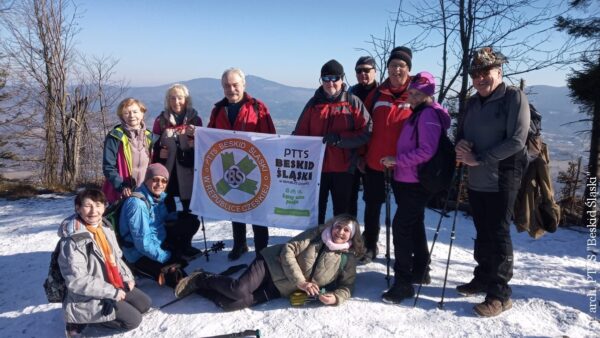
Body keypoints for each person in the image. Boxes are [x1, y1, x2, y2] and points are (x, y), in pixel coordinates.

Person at [455, 47, 530, 317]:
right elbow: (461, 135)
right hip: (477, 179)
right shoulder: (473, 103)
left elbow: (517, 141)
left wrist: (480, 158)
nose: (480, 78)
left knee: (498, 234)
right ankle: (483, 276)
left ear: (499, 71)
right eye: (476, 74)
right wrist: (462, 146)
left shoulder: (514, 98)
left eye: (486, 72)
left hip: (504, 177)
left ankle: (500, 294)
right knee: (483, 231)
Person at [174, 214, 365, 311]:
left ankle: (196, 287)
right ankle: (201, 278)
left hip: (281, 289)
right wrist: (301, 281)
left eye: (346, 230)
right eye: (338, 227)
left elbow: (347, 285)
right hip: (270, 264)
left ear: (352, 235)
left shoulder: (347, 258)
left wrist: (336, 298)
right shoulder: (317, 235)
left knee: (230, 304)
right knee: (238, 290)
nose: (339, 232)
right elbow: (288, 249)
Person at [380, 71, 450, 304]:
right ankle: (421, 269)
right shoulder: (419, 112)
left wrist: (396, 161)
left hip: (416, 182)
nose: (411, 95)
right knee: (414, 223)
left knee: (401, 228)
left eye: (417, 92)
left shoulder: (428, 115)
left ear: (427, 94)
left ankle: (403, 283)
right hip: (407, 179)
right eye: (411, 91)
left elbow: (426, 151)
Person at [58, 189, 151, 336]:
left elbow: (117, 257)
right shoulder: (72, 240)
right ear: (78, 208)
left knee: (144, 304)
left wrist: (127, 277)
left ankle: (108, 310)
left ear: (104, 206)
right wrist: (112, 293)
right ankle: (80, 325)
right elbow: (77, 281)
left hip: (112, 282)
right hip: (87, 294)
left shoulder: (105, 227)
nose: (94, 210)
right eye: (88, 205)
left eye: (98, 204)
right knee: (134, 320)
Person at [207, 68, 277, 261]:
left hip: (254, 169)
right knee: (235, 207)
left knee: (258, 211)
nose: (231, 89)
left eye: (235, 85)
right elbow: (210, 136)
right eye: (227, 86)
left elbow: (270, 137)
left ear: (243, 85)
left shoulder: (258, 108)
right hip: (228, 167)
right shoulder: (218, 110)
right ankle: (240, 244)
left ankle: (261, 250)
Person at [293, 59, 372, 225]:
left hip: (344, 168)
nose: (330, 83)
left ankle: (343, 245)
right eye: (326, 79)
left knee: (342, 211)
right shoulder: (313, 104)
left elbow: (367, 132)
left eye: (334, 78)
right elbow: (300, 133)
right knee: (315, 209)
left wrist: (340, 139)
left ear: (342, 79)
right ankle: (315, 241)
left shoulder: (352, 102)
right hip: (317, 169)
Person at [359, 47, 414, 263]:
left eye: (401, 66)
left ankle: (406, 252)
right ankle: (370, 245)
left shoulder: (416, 94)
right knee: (372, 206)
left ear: (408, 69)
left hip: (405, 165)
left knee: (407, 211)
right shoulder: (376, 95)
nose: (396, 70)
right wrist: (362, 155)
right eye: (392, 66)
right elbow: (365, 127)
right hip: (375, 161)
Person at [119, 163, 200, 288]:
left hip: (157, 241)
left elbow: (162, 218)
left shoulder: (157, 197)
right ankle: (139, 269)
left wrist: (180, 215)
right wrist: (165, 256)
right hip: (138, 253)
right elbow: (143, 243)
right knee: (178, 278)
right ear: (147, 180)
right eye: (155, 179)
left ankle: (178, 252)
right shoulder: (137, 205)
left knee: (190, 222)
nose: (160, 184)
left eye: (164, 181)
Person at [152, 83, 203, 213]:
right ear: (168, 100)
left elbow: (204, 147)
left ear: (186, 99)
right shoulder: (160, 121)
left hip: (189, 173)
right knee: (167, 210)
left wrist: (195, 140)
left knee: (189, 212)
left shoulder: (196, 121)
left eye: (180, 98)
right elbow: (152, 145)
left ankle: (187, 232)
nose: (176, 102)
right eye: (172, 98)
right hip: (167, 172)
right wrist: (159, 152)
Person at [102, 98, 153, 204]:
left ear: (142, 113)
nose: (131, 115)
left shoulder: (149, 136)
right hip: (122, 192)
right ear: (121, 116)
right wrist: (121, 186)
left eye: (135, 112)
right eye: (126, 112)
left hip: (146, 190)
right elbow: (108, 166)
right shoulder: (115, 136)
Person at [348, 56, 378, 218]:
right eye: (359, 71)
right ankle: (349, 235)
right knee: (349, 197)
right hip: (353, 152)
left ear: (375, 71)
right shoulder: (350, 93)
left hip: (373, 153)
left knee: (372, 200)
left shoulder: (382, 94)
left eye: (367, 70)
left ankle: (370, 240)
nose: (362, 74)